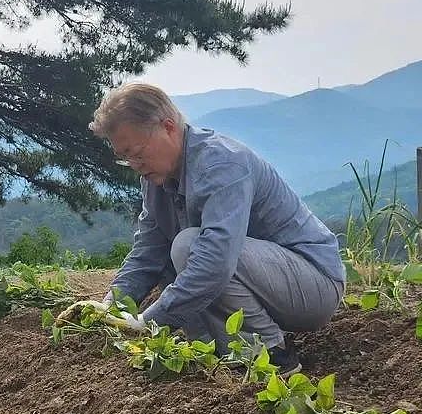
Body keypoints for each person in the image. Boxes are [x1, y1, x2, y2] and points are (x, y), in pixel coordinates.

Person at [86, 82, 345, 375]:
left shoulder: (221, 164)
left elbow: (216, 262)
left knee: (190, 247)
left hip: (313, 285)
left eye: (137, 152)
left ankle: (272, 354)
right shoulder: (155, 179)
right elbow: (148, 250)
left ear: (168, 127)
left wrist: (149, 321)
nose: (134, 164)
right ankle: (219, 352)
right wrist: (113, 306)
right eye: (125, 157)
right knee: (174, 255)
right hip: (266, 281)